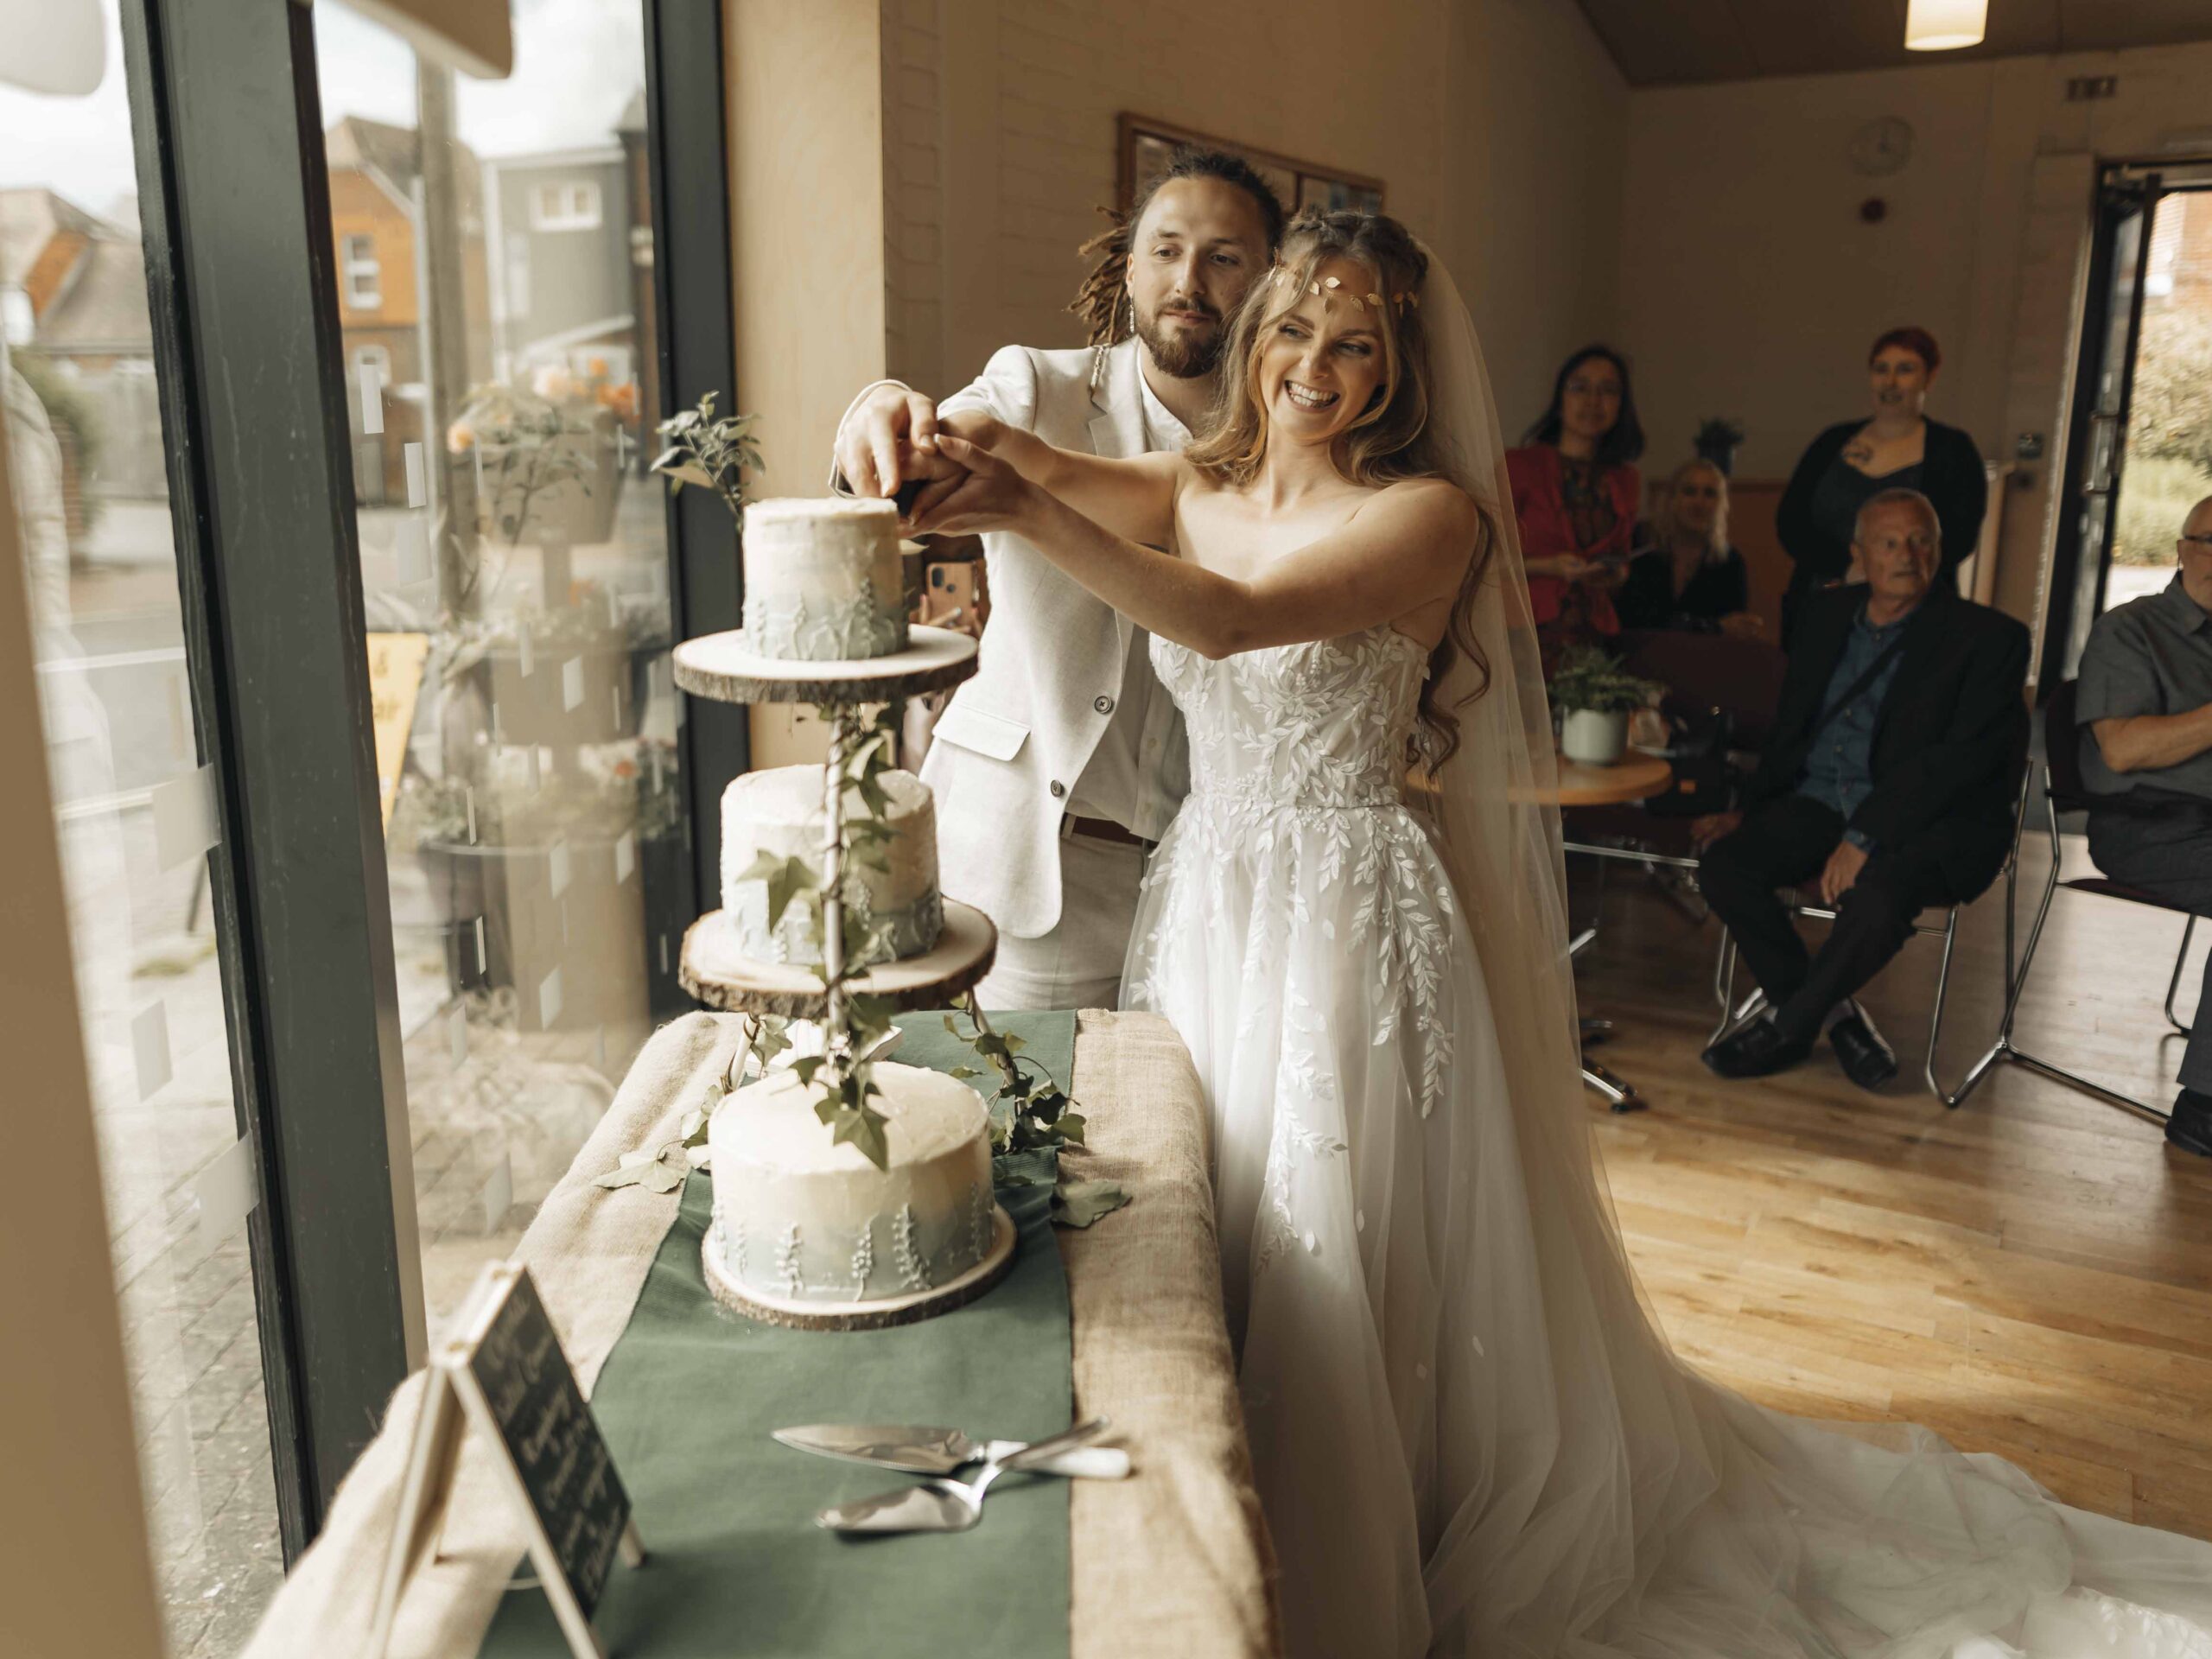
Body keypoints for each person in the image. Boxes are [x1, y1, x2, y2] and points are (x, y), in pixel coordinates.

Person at [893, 207, 2212, 1657]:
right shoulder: (1196, 475)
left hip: (1343, 920)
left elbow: (1219, 618)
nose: (1312, 370)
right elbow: (1027, 461)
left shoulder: (1429, 518)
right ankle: (1225, 1509)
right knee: (1230, 1223)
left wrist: (1025, 515)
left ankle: (1364, 1533)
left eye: (1354, 346)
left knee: (1339, 1232)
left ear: (1401, 368)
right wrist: (908, 429)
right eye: (1293, 332)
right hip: (1209, 900)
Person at [830, 145, 1285, 1009]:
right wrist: (878, 410)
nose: (1188, 277)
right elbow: (928, 451)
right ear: (1128, 266)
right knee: (1037, 1134)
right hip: (1039, 870)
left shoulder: (1293, 443)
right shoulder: (1037, 386)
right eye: (1165, 248)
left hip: (1216, 883)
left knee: (1188, 1139)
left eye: (1224, 257)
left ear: (1271, 282)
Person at [1694, 489, 2027, 1090]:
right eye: (1890, 542)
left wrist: (1866, 835)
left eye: (1921, 540)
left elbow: (1956, 763)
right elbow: (1793, 724)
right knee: (1723, 866)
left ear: (1940, 549)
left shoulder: (1987, 637)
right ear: (1860, 553)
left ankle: (1787, 1028)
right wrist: (1750, 810)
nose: (1907, 554)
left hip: (1930, 819)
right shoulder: (1824, 614)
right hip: (1818, 799)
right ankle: (1839, 1017)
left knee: (1877, 900)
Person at [2075, 494, 2212, 1154]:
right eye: (2211, 542)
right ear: (2183, 548)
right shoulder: (2132, 628)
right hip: (2148, 827)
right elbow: (2123, 749)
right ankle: (2204, 1107)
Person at [1776, 325, 1986, 645]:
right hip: (1821, 607)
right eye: (1880, 369)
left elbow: (1959, 537)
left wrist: (1884, 576)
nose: (1890, 382)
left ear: (1928, 378)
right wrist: (1848, 568)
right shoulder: (1832, 441)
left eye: (1905, 370)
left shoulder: (1953, 450)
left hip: (1912, 617)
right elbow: (1791, 521)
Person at [1505, 345, 1641, 658]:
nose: (1593, 401)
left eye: (1608, 390)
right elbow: (1481, 561)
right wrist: (1548, 566)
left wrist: (1614, 573)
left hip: (1592, 639)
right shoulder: (1520, 466)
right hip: (1524, 634)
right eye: (1580, 388)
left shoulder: (1625, 479)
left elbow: (1622, 558)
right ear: (1560, 399)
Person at [1615, 455, 1759, 635]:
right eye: (1689, 491)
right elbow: (1634, 619)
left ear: (1722, 505)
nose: (1699, 503)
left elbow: (1733, 633)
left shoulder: (1731, 562)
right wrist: (1714, 627)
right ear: (1672, 499)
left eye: (1710, 494)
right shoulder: (1640, 543)